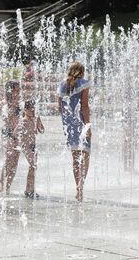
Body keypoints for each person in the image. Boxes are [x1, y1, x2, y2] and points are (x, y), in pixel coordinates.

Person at [57, 61, 91, 202]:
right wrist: (88, 125)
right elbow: (84, 106)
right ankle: (80, 188)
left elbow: (59, 107)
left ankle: (77, 187)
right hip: (81, 122)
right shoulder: (83, 83)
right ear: (81, 72)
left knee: (75, 158)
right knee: (86, 155)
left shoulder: (62, 84)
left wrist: (67, 122)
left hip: (69, 124)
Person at [0, 80, 21, 195]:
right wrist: (13, 107)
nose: (17, 92)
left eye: (18, 90)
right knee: (9, 156)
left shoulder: (21, 104)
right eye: (15, 90)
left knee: (15, 161)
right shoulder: (5, 104)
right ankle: (1, 181)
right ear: (9, 91)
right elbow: (6, 119)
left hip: (18, 135)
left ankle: (8, 187)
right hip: (8, 133)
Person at [19, 100, 44, 199]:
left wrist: (38, 121)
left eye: (34, 109)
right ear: (25, 110)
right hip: (26, 146)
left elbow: (42, 130)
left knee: (33, 168)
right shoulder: (23, 121)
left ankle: (29, 189)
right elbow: (16, 133)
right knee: (33, 166)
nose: (32, 112)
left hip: (33, 146)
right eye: (30, 110)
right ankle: (30, 190)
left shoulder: (35, 119)